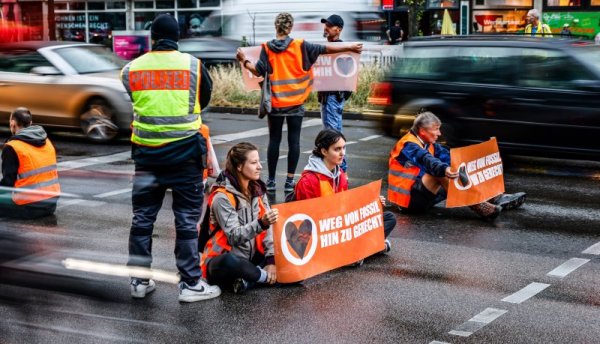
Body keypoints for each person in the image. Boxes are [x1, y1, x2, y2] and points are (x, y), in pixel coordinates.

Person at [120, 13, 220, 303]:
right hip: (186, 156)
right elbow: (204, 99)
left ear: (152, 37)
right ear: (178, 37)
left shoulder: (131, 69)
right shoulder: (194, 66)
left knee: (142, 219)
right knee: (187, 221)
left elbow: (137, 98)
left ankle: (139, 280)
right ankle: (190, 284)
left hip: (146, 157)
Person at [236, 12, 362, 193]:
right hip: (296, 103)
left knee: (275, 140)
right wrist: (350, 47)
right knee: (294, 142)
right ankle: (289, 181)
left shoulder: (267, 48)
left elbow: (257, 72)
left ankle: (271, 181)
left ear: (275, 27)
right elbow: (325, 49)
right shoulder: (300, 46)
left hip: (276, 104)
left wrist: (244, 60)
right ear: (290, 28)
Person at [387, 111, 526, 219]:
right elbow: (426, 159)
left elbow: (454, 157)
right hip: (407, 202)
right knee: (440, 172)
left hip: (422, 195)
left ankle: (494, 197)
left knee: (458, 168)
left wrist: (483, 154)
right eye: (436, 129)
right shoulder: (408, 145)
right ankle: (479, 206)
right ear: (422, 131)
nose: (439, 133)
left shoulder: (429, 143)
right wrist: (444, 168)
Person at [294, 129, 395, 263]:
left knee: (389, 218)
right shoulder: (308, 181)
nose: (342, 153)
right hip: (323, 233)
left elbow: (347, 207)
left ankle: (357, 251)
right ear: (324, 151)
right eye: (337, 149)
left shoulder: (340, 174)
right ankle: (364, 249)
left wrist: (373, 206)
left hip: (341, 228)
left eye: (343, 148)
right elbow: (307, 221)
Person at [200, 142, 279, 294]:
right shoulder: (222, 196)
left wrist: (272, 260)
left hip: (252, 259)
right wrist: (261, 223)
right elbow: (234, 236)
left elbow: (270, 232)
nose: (260, 167)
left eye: (259, 162)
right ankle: (264, 278)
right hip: (223, 261)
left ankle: (249, 280)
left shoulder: (258, 190)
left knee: (290, 257)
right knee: (231, 262)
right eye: (254, 162)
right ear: (239, 167)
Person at [0, 107, 60, 219]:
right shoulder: (46, 141)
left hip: (29, 207)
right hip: (50, 204)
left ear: (13, 123)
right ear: (30, 123)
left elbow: (8, 184)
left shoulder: (13, 147)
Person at [318, 14, 352, 172]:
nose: (326, 28)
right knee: (331, 134)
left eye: (329, 26)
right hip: (328, 96)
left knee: (333, 136)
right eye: (326, 25)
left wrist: (341, 94)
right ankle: (338, 171)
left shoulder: (338, 47)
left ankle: (341, 172)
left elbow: (348, 73)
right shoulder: (333, 47)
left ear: (338, 29)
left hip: (332, 96)